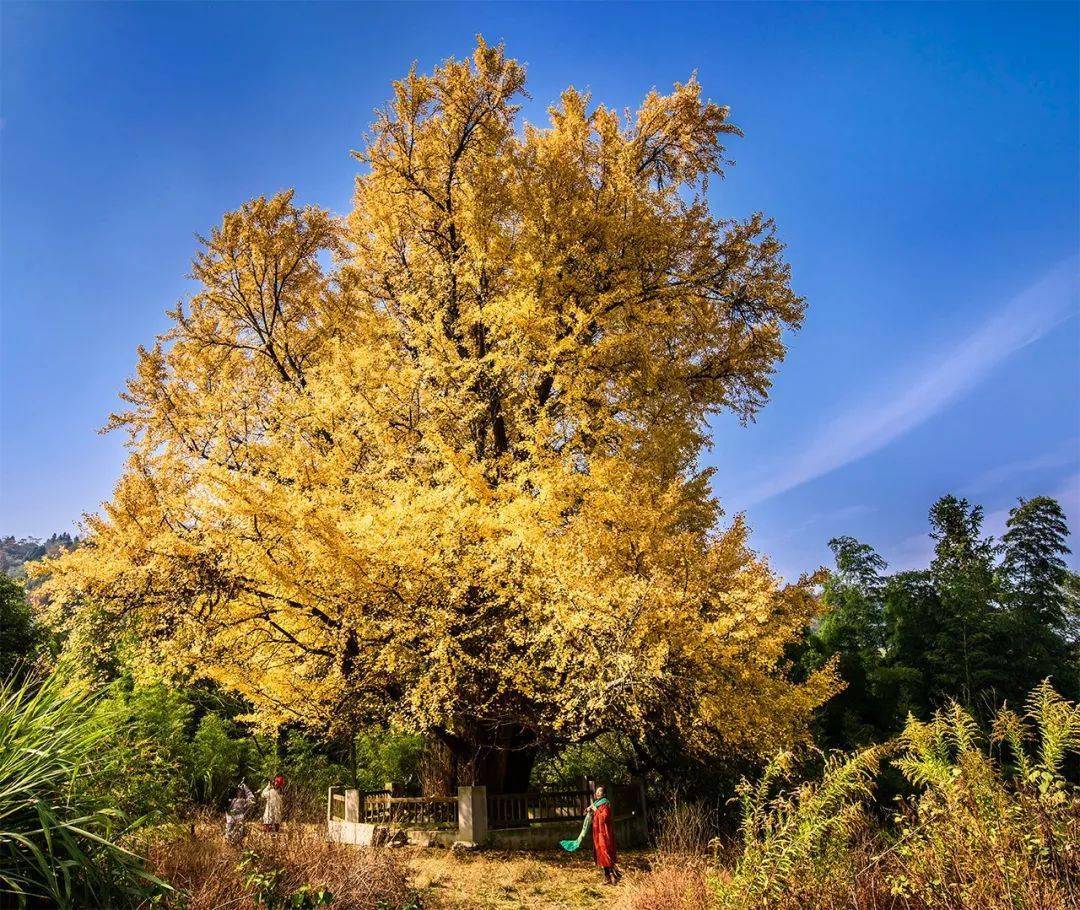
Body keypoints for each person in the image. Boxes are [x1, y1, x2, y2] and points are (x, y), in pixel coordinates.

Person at [586, 786, 621, 884]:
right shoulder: (597, 804)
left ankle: (614, 876)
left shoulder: (605, 804)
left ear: (604, 794)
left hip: (604, 833)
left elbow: (604, 818)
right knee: (601, 854)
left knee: (606, 853)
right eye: (596, 792)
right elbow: (594, 817)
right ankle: (607, 878)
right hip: (598, 833)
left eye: (599, 792)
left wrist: (595, 809)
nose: (597, 793)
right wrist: (590, 810)